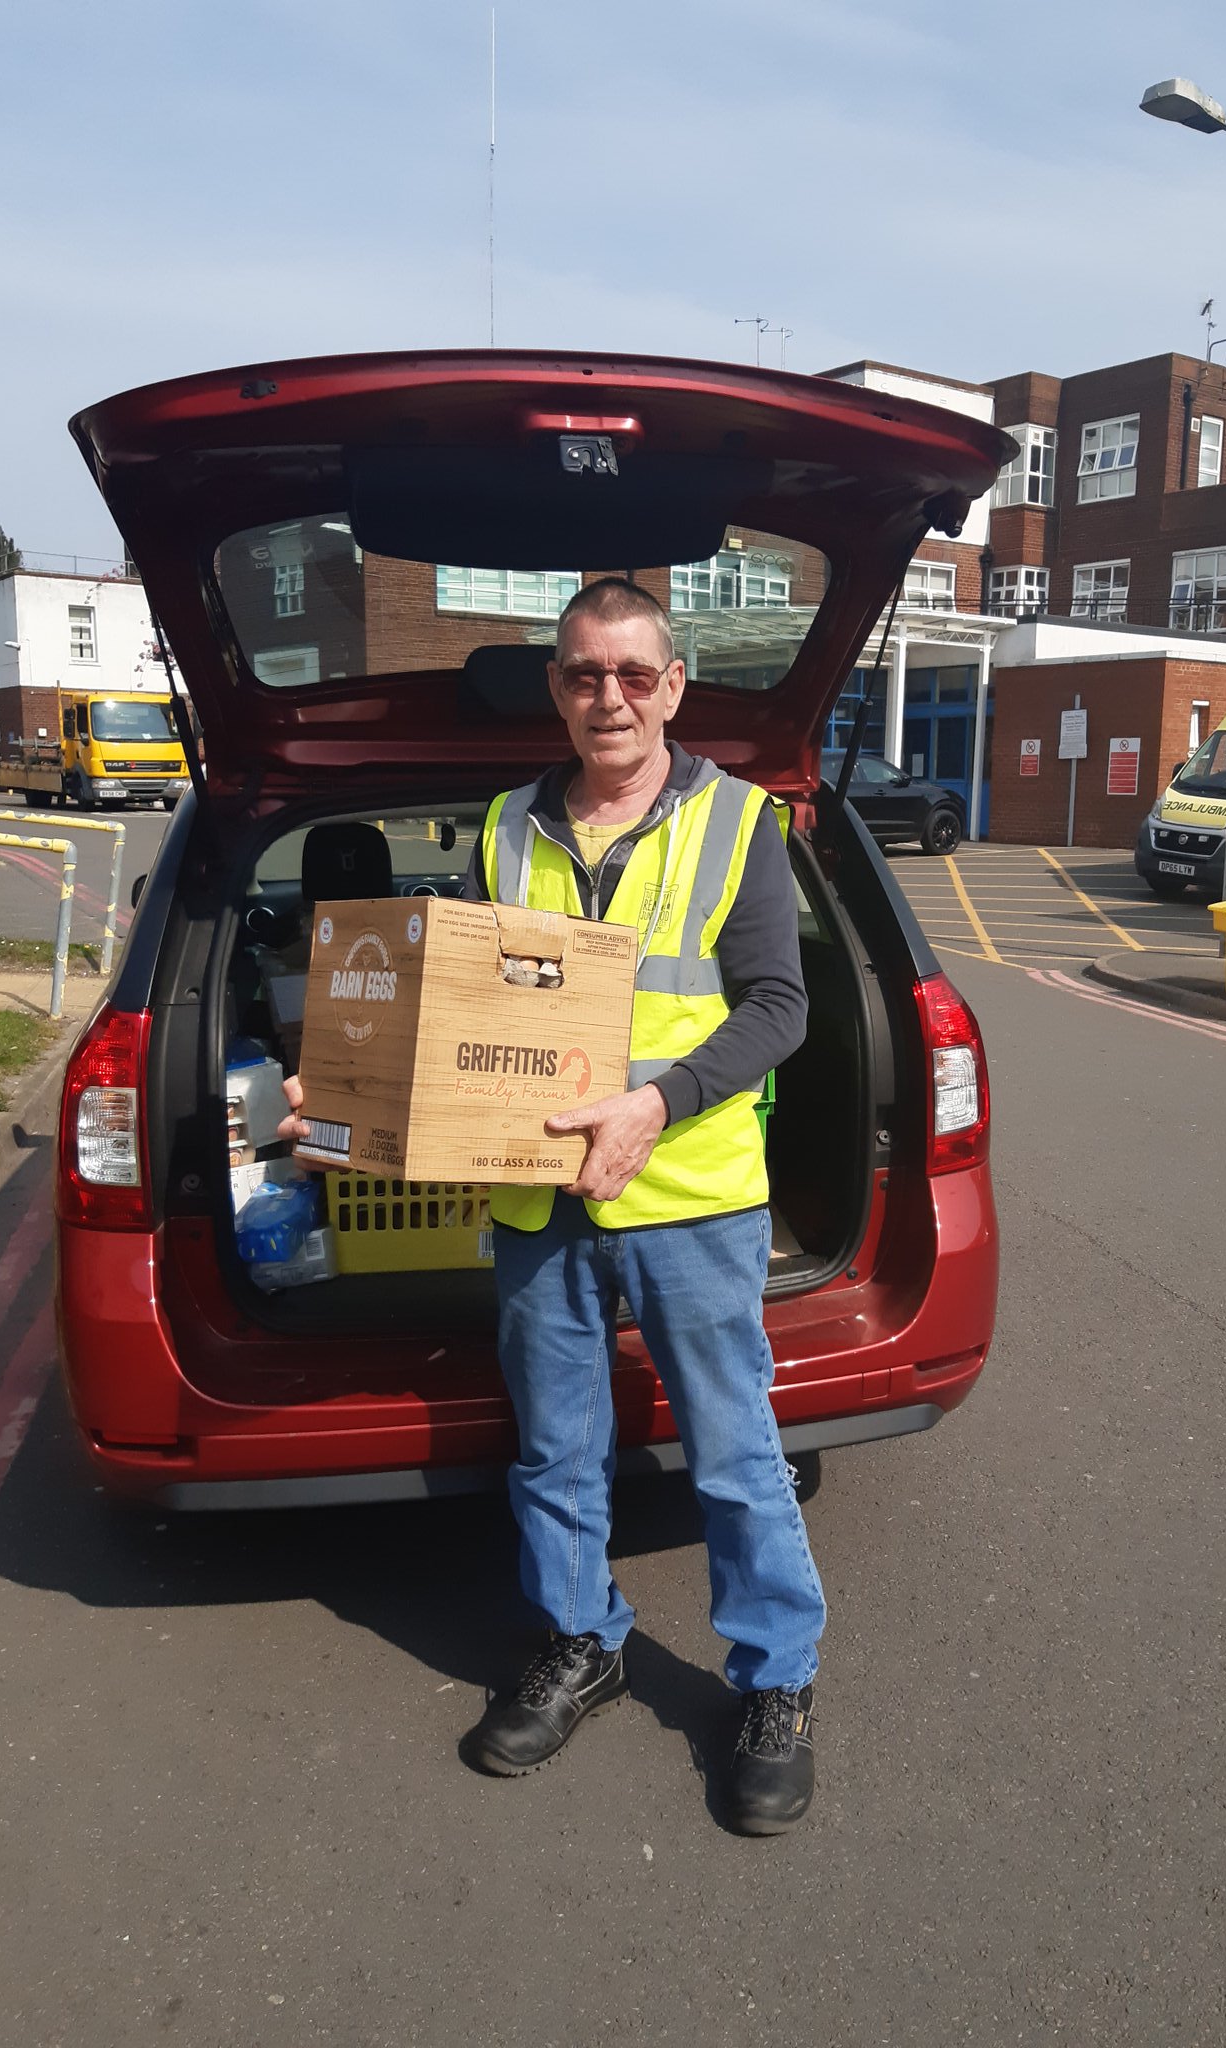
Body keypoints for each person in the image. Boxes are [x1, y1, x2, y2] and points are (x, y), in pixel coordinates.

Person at [281, 578, 825, 1835]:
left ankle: (778, 1682)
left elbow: (779, 1010)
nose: (611, 697)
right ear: (558, 689)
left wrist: (655, 1104)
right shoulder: (508, 825)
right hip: (538, 1201)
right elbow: (468, 1011)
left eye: (636, 673)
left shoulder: (741, 820)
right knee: (554, 1450)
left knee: (738, 1457)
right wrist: (351, 1096)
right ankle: (584, 1639)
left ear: (674, 685)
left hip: (684, 1191)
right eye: (586, 674)